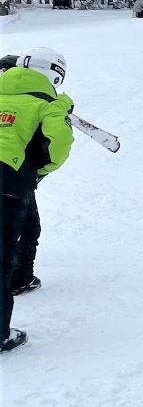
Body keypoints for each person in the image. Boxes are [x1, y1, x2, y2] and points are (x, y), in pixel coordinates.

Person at [0, 51, 74, 351]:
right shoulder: (48, 105)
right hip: (9, 183)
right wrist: (35, 171)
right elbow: (59, 147)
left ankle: (22, 277)